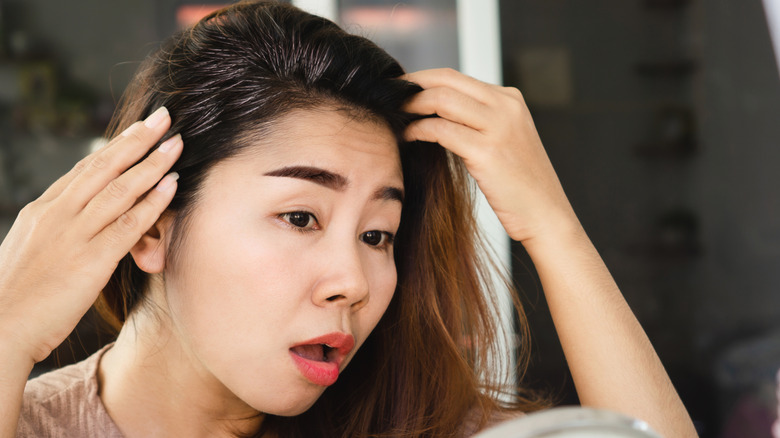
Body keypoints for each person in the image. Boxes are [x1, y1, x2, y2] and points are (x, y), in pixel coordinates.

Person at [0, 2, 697, 437]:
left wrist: (553, 228)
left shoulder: (412, 426)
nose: (354, 282)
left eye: (376, 235)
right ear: (152, 226)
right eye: (301, 216)